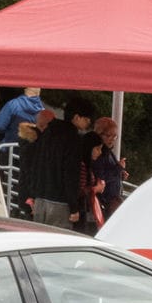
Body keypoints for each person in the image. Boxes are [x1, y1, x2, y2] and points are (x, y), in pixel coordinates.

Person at [26, 96, 94, 227]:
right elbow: (70, 174)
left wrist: (33, 195)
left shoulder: (47, 132)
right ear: (76, 117)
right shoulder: (73, 139)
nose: (88, 123)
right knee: (58, 243)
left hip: (40, 199)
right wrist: (74, 207)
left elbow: (35, 165)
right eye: (87, 119)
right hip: (60, 203)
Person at [89, 116, 126, 223]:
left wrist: (120, 174)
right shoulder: (99, 152)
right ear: (99, 134)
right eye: (109, 135)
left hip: (110, 201)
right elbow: (100, 178)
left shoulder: (108, 151)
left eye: (115, 137)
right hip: (105, 202)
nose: (112, 139)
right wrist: (118, 168)